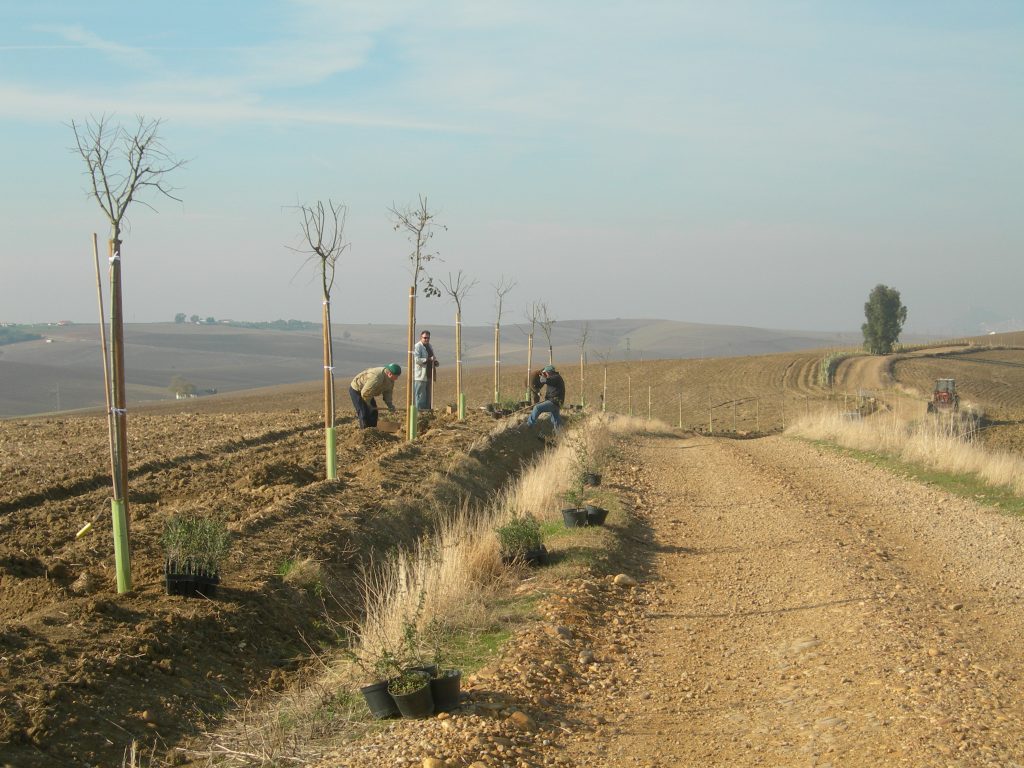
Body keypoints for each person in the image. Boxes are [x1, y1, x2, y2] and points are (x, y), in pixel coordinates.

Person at [349, 363, 401, 429]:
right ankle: (364, 431)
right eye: (396, 376)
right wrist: (368, 404)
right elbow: (365, 393)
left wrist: (389, 405)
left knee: (373, 412)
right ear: (390, 374)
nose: (397, 379)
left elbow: (388, 392)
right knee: (363, 412)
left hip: (369, 392)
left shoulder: (390, 380)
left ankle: (373, 429)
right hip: (357, 390)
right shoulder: (376, 377)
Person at [526, 364, 565, 434]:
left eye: (545, 373)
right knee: (555, 420)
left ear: (548, 372)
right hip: (556, 402)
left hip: (554, 401)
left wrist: (543, 377)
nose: (545, 374)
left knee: (537, 408)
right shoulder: (557, 377)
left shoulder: (555, 378)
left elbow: (545, 380)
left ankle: (529, 424)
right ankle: (560, 436)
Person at [413, 330, 439, 411]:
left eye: (428, 338)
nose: (426, 339)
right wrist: (428, 359)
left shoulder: (429, 346)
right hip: (421, 375)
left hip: (429, 375)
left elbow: (432, 358)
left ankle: (427, 412)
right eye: (425, 338)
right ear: (421, 337)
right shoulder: (417, 346)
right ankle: (419, 412)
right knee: (420, 396)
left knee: (428, 396)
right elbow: (416, 360)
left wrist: (435, 362)